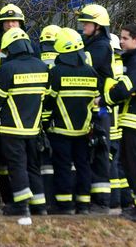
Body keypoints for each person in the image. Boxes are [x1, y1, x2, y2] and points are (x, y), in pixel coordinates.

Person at [0, 28, 49, 220]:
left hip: (11, 128)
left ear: (10, 48)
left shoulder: (7, 69)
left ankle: (21, 206)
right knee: (33, 166)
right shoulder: (42, 67)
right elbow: (45, 96)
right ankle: (39, 206)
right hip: (34, 128)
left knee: (17, 166)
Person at [0, 4, 38, 206]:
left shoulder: (32, 45)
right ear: (1, 24)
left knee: (28, 159)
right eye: (8, 21)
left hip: (24, 110)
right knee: (3, 160)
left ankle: (29, 202)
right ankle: (8, 201)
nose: (12, 24)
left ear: (21, 23)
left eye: (15, 21)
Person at [101, 23, 136, 221]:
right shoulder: (132, 58)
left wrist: (104, 99)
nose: (121, 41)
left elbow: (125, 88)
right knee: (128, 161)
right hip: (131, 118)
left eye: (125, 38)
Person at [46, 28, 102, 215]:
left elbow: (49, 102)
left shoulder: (56, 72)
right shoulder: (91, 73)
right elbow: (96, 104)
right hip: (84, 131)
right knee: (83, 165)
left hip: (60, 130)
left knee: (62, 167)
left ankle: (64, 205)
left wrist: (45, 124)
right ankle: (83, 204)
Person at [78, 4, 114, 213]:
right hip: (91, 107)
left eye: (87, 22)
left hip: (99, 110)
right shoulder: (91, 42)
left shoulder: (101, 46)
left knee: (100, 151)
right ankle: (91, 199)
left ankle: (101, 202)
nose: (83, 25)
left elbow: (85, 64)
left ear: (98, 25)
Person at [38, 24, 61, 210]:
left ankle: (46, 201)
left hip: (37, 118)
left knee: (43, 162)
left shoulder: (37, 59)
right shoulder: (63, 61)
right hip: (59, 117)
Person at [108, 33, 131, 210]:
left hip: (110, 123)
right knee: (121, 166)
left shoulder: (107, 67)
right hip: (123, 122)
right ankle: (125, 199)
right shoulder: (124, 66)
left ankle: (114, 199)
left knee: (111, 165)